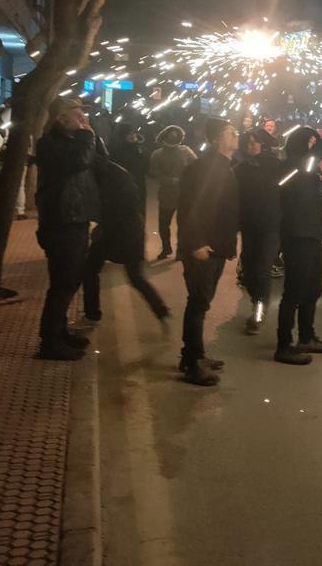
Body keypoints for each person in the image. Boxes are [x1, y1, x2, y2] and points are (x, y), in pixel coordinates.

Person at [35, 97, 103, 361]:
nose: (82, 119)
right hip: (61, 221)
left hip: (76, 218)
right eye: (76, 114)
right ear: (60, 118)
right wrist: (87, 138)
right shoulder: (49, 144)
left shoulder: (78, 141)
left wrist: (91, 136)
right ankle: (50, 341)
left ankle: (59, 332)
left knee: (71, 280)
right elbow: (77, 163)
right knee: (64, 283)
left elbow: (99, 161)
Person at [177, 119, 240, 386]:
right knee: (198, 303)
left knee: (202, 302)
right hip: (203, 247)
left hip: (216, 245)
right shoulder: (204, 167)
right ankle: (192, 362)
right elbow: (190, 207)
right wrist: (196, 243)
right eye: (230, 133)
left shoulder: (224, 166)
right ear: (216, 139)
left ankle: (194, 354)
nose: (236, 136)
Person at [276, 127, 322, 365]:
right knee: (293, 292)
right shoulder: (292, 166)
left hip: (313, 235)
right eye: (310, 141)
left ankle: (307, 337)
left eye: (315, 141)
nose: (314, 145)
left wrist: (321, 235)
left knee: (313, 289)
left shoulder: (311, 168)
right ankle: (283, 345)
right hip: (296, 236)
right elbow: (307, 160)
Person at [82, 159, 170, 326]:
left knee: (90, 271)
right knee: (135, 276)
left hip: (114, 231)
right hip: (132, 229)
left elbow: (100, 206)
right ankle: (160, 310)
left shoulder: (96, 173)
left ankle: (92, 313)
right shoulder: (116, 170)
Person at [233, 129, 284, 335]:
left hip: (271, 224)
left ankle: (259, 311)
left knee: (263, 266)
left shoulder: (275, 165)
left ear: (262, 144)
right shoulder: (239, 169)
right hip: (249, 226)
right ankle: (256, 301)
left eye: (255, 142)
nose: (251, 146)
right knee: (251, 268)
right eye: (248, 143)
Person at [149, 125, 196, 259]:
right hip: (167, 193)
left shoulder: (185, 151)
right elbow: (154, 172)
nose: (173, 138)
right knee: (163, 224)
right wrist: (169, 180)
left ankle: (181, 250)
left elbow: (196, 167)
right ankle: (166, 248)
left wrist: (187, 180)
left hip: (184, 194)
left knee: (183, 224)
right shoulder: (157, 154)